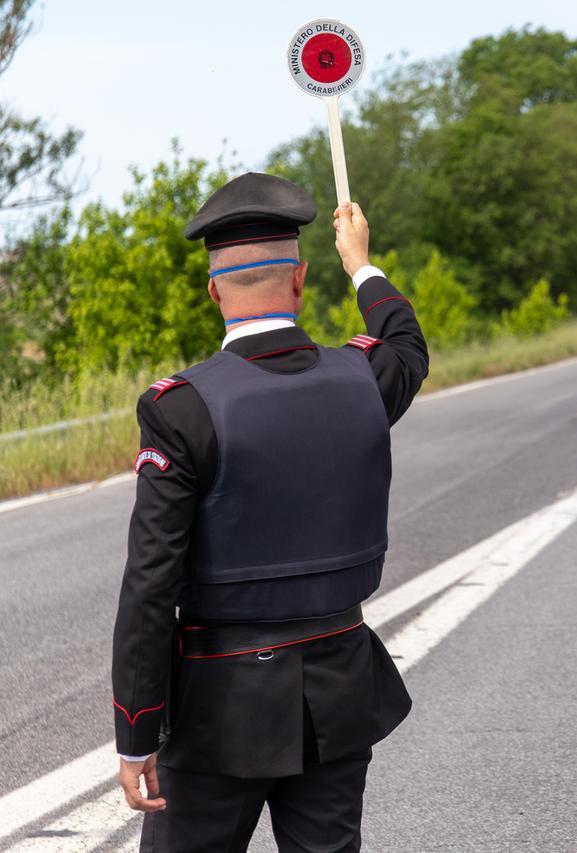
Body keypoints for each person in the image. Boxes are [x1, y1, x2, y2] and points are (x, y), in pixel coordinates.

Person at [111, 172, 428, 852]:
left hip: (217, 714)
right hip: (340, 694)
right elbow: (407, 345)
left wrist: (137, 730)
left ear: (213, 290)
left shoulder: (181, 409)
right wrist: (362, 263)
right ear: (299, 280)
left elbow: (150, 583)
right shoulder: (362, 380)